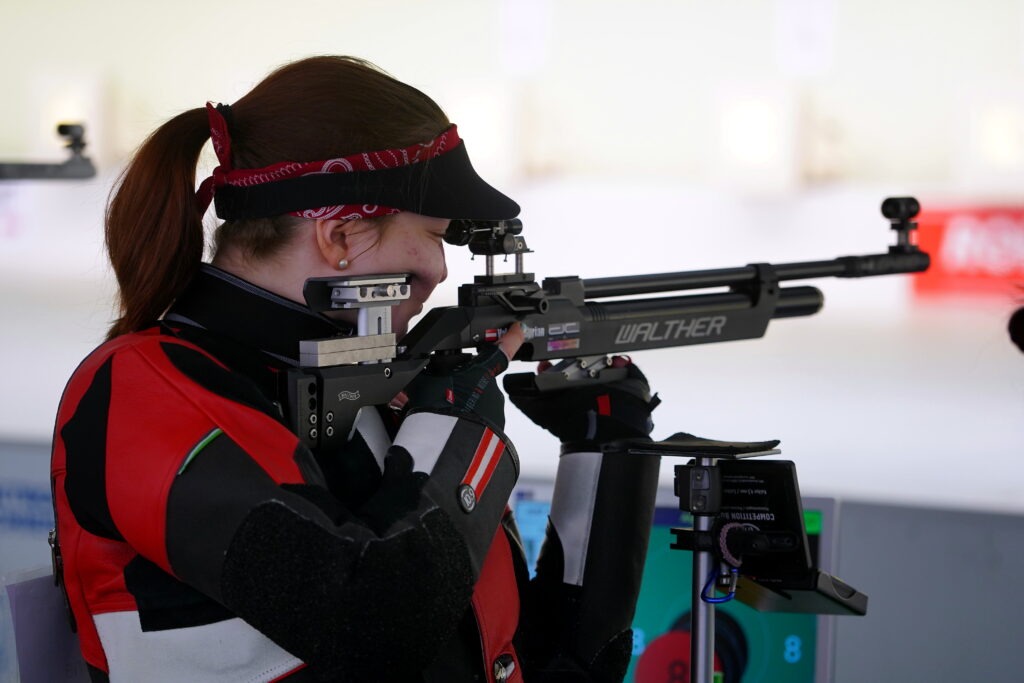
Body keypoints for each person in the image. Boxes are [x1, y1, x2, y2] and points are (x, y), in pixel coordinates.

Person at [50, 56, 661, 683]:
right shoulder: (143, 390)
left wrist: (607, 448)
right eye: (433, 235)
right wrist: (459, 433)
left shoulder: (381, 393)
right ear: (340, 236)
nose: (440, 271)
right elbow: (376, 622)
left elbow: (548, 664)